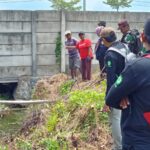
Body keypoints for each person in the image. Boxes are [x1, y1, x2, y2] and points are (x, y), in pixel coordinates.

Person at [106, 19, 150, 150]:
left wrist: (125, 94)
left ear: (142, 37)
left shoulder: (138, 67)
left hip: (140, 139)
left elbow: (111, 98)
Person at [100, 27, 130, 150]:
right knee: (126, 118)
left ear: (103, 39)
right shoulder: (124, 46)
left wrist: (108, 100)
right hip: (130, 87)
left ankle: (118, 146)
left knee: (115, 118)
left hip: (119, 89)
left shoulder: (110, 54)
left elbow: (111, 79)